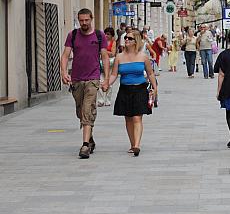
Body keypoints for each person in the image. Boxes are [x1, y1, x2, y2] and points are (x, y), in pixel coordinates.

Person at [59, 9, 110, 159]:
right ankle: (90, 138)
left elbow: (105, 58)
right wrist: (63, 72)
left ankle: (85, 146)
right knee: (80, 112)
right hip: (76, 79)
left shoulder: (99, 36)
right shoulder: (73, 35)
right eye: (81, 20)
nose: (84, 23)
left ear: (91, 19)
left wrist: (106, 79)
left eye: (87, 20)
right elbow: (65, 55)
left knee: (88, 109)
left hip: (93, 79)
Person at [108, 29, 157, 157]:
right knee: (128, 118)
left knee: (137, 117)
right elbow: (114, 74)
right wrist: (107, 84)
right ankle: (132, 144)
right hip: (125, 89)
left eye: (130, 38)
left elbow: (150, 73)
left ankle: (137, 145)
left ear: (136, 41)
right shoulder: (119, 57)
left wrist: (155, 88)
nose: (126, 40)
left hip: (140, 88)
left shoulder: (143, 56)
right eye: (126, 38)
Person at [98, 27, 117, 107]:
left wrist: (103, 51)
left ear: (112, 35)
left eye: (108, 34)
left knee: (109, 82)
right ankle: (101, 99)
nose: (106, 35)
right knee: (100, 81)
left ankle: (108, 99)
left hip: (110, 64)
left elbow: (113, 53)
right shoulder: (101, 42)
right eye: (105, 33)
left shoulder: (113, 42)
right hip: (101, 63)